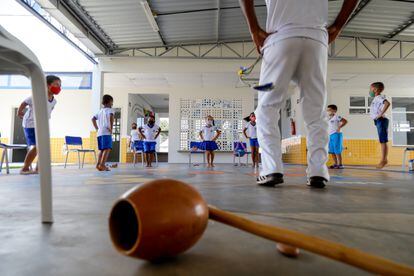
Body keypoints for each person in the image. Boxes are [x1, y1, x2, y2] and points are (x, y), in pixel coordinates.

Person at [239, 0, 358, 188]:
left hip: (280, 37)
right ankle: (318, 171)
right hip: (317, 39)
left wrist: (254, 29)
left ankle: (271, 169)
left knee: (267, 109)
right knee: (316, 112)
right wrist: (338, 26)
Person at [17, 75, 61, 175]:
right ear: (47, 85)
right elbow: (25, 102)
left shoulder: (54, 101)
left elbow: (49, 111)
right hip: (30, 124)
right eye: (56, 84)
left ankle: (38, 168)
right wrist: (19, 111)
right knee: (36, 147)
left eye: (60, 85)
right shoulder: (38, 96)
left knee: (43, 146)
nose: (59, 87)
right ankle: (25, 168)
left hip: (42, 124)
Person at [369, 82, 390, 169]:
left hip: (381, 120)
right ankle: (383, 159)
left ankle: (384, 160)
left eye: (371, 89)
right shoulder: (376, 98)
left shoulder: (379, 97)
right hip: (378, 120)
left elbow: (387, 103)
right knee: (382, 141)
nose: (370, 91)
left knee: (383, 141)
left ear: (375, 89)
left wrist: (381, 114)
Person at [92, 94, 114, 171]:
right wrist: (111, 128)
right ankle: (102, 165)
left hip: (100, 132)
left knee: (102, 149)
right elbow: (111, 118)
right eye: (112, 102)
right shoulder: (110, 110)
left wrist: (96, 128)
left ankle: (98, 165)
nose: (112, 103)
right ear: (109, 102)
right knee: (107, 149)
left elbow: (93, 119)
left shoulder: (100, 111)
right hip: (106, 132)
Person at [327, 105, 348, 169]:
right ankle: (335, 164)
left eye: (329, 110)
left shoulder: (337, 117)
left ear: (334, 111)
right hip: (330, 135)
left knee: (337, 150)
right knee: (332, 151)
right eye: (327, 110)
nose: (328, 111)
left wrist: (339, 127)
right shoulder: (328, 118)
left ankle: (340, 164)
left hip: (336, 134)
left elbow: (345, 121)